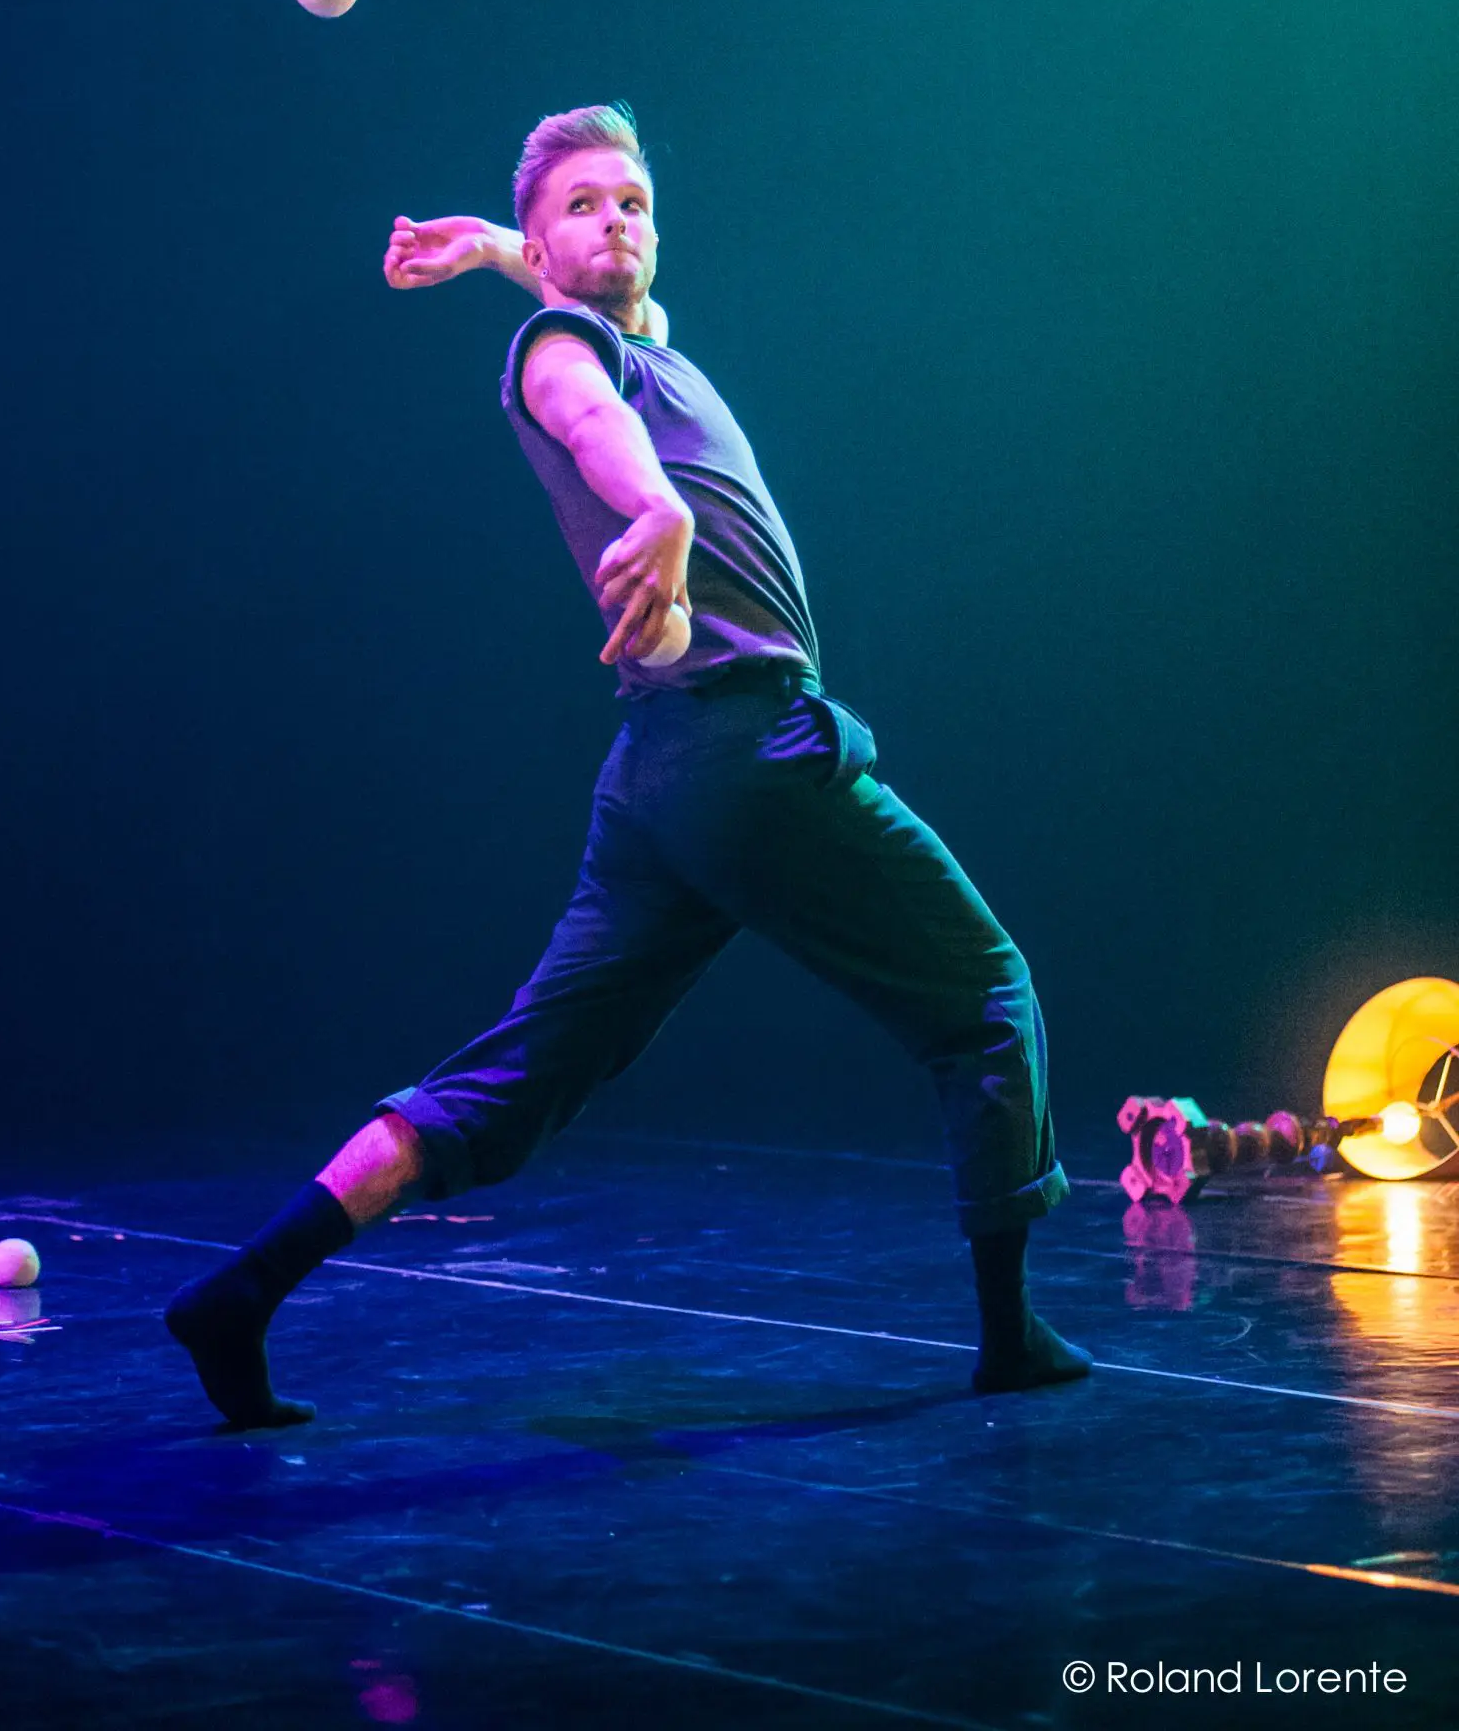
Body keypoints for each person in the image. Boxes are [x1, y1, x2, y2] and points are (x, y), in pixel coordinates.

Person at [166, 102, 1091, 1427]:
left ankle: (242, 1295)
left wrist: (496, 242)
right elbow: (589, 407)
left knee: (514, 1078)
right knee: (988, 994)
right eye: (584, 205)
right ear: (552, 254)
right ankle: (1009, 1335)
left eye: (633, 202)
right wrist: (651, 503)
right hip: (744, 750)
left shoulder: (635, 340)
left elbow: (614, 333)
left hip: (660, 780)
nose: (617, 222)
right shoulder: (559, 354)